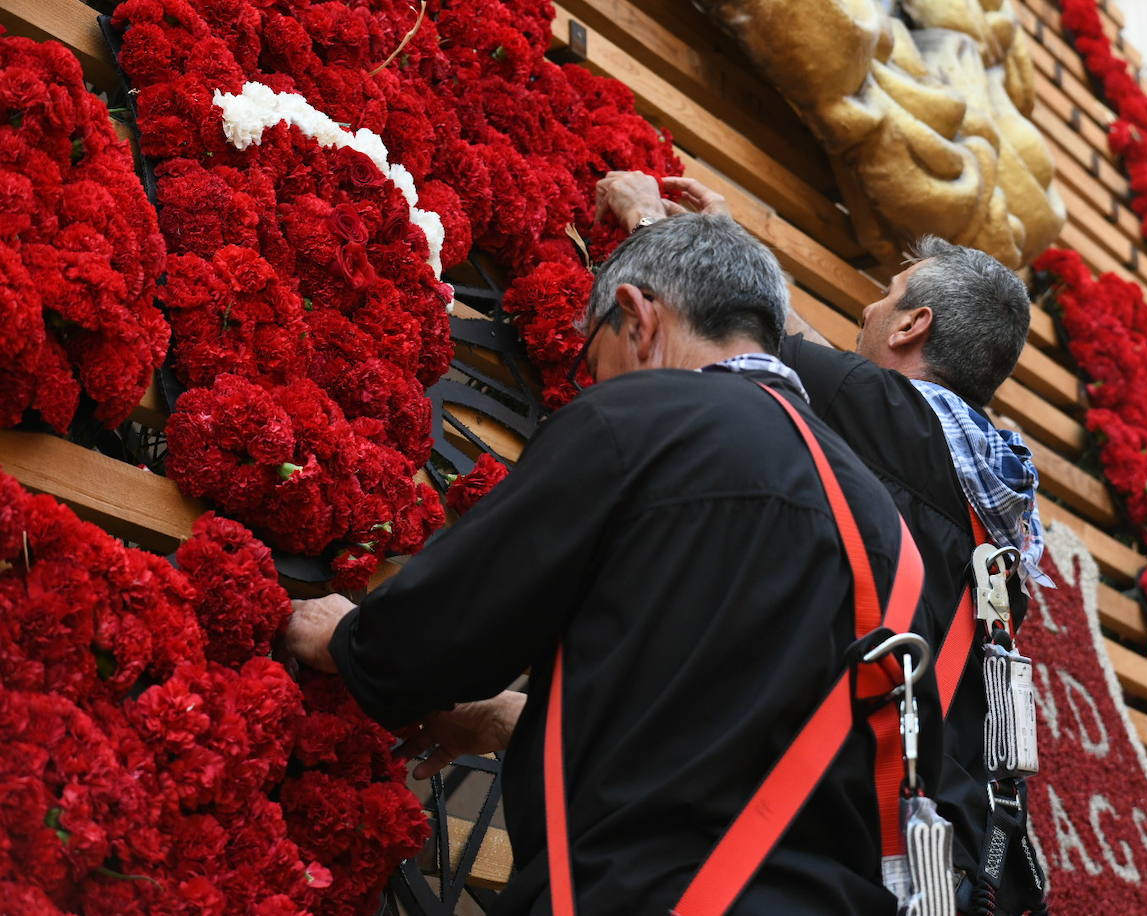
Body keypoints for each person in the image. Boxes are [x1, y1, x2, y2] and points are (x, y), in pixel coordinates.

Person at [285, 211, 916, 913]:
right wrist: (508, 720)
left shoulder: (646, 419)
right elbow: (728, 721)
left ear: (636, 317)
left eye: (592, 362)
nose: (593, 387)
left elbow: (442, 634)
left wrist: (349, 638)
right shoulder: (881, 519)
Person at [598, 171, 1050, 914]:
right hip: (949, 834)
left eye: (886, 297)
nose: (866, 310)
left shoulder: (892, 416)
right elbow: (805, 350)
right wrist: (735, 237)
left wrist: (651, 225)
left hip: (851, 829)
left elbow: (733, 332)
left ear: (912, 327)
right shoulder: (986, 482)